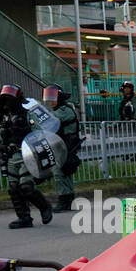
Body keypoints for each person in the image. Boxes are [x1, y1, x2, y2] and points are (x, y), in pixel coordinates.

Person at [0, 84, 52, 229]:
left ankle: (44, 207)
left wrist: (39, 154)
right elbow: (0, 138)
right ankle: (24, 218)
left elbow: (38, 133)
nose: (8, 103)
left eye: (10, 99)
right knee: (13, 188)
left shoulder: (28, 115)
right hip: (10, 157)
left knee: (26, 186)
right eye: (5, 99)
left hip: (26, 155)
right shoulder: (6, 118)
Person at [41, 84, 82, 212]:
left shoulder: (65, 110)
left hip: (66, 146)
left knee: (59, 172)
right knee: (65, 172)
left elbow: (50, 121)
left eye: (53, 98)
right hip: (61, 146)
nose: (50, 101)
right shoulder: (58, 110)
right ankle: (68, 200)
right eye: (49, 98)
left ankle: (64, 201)